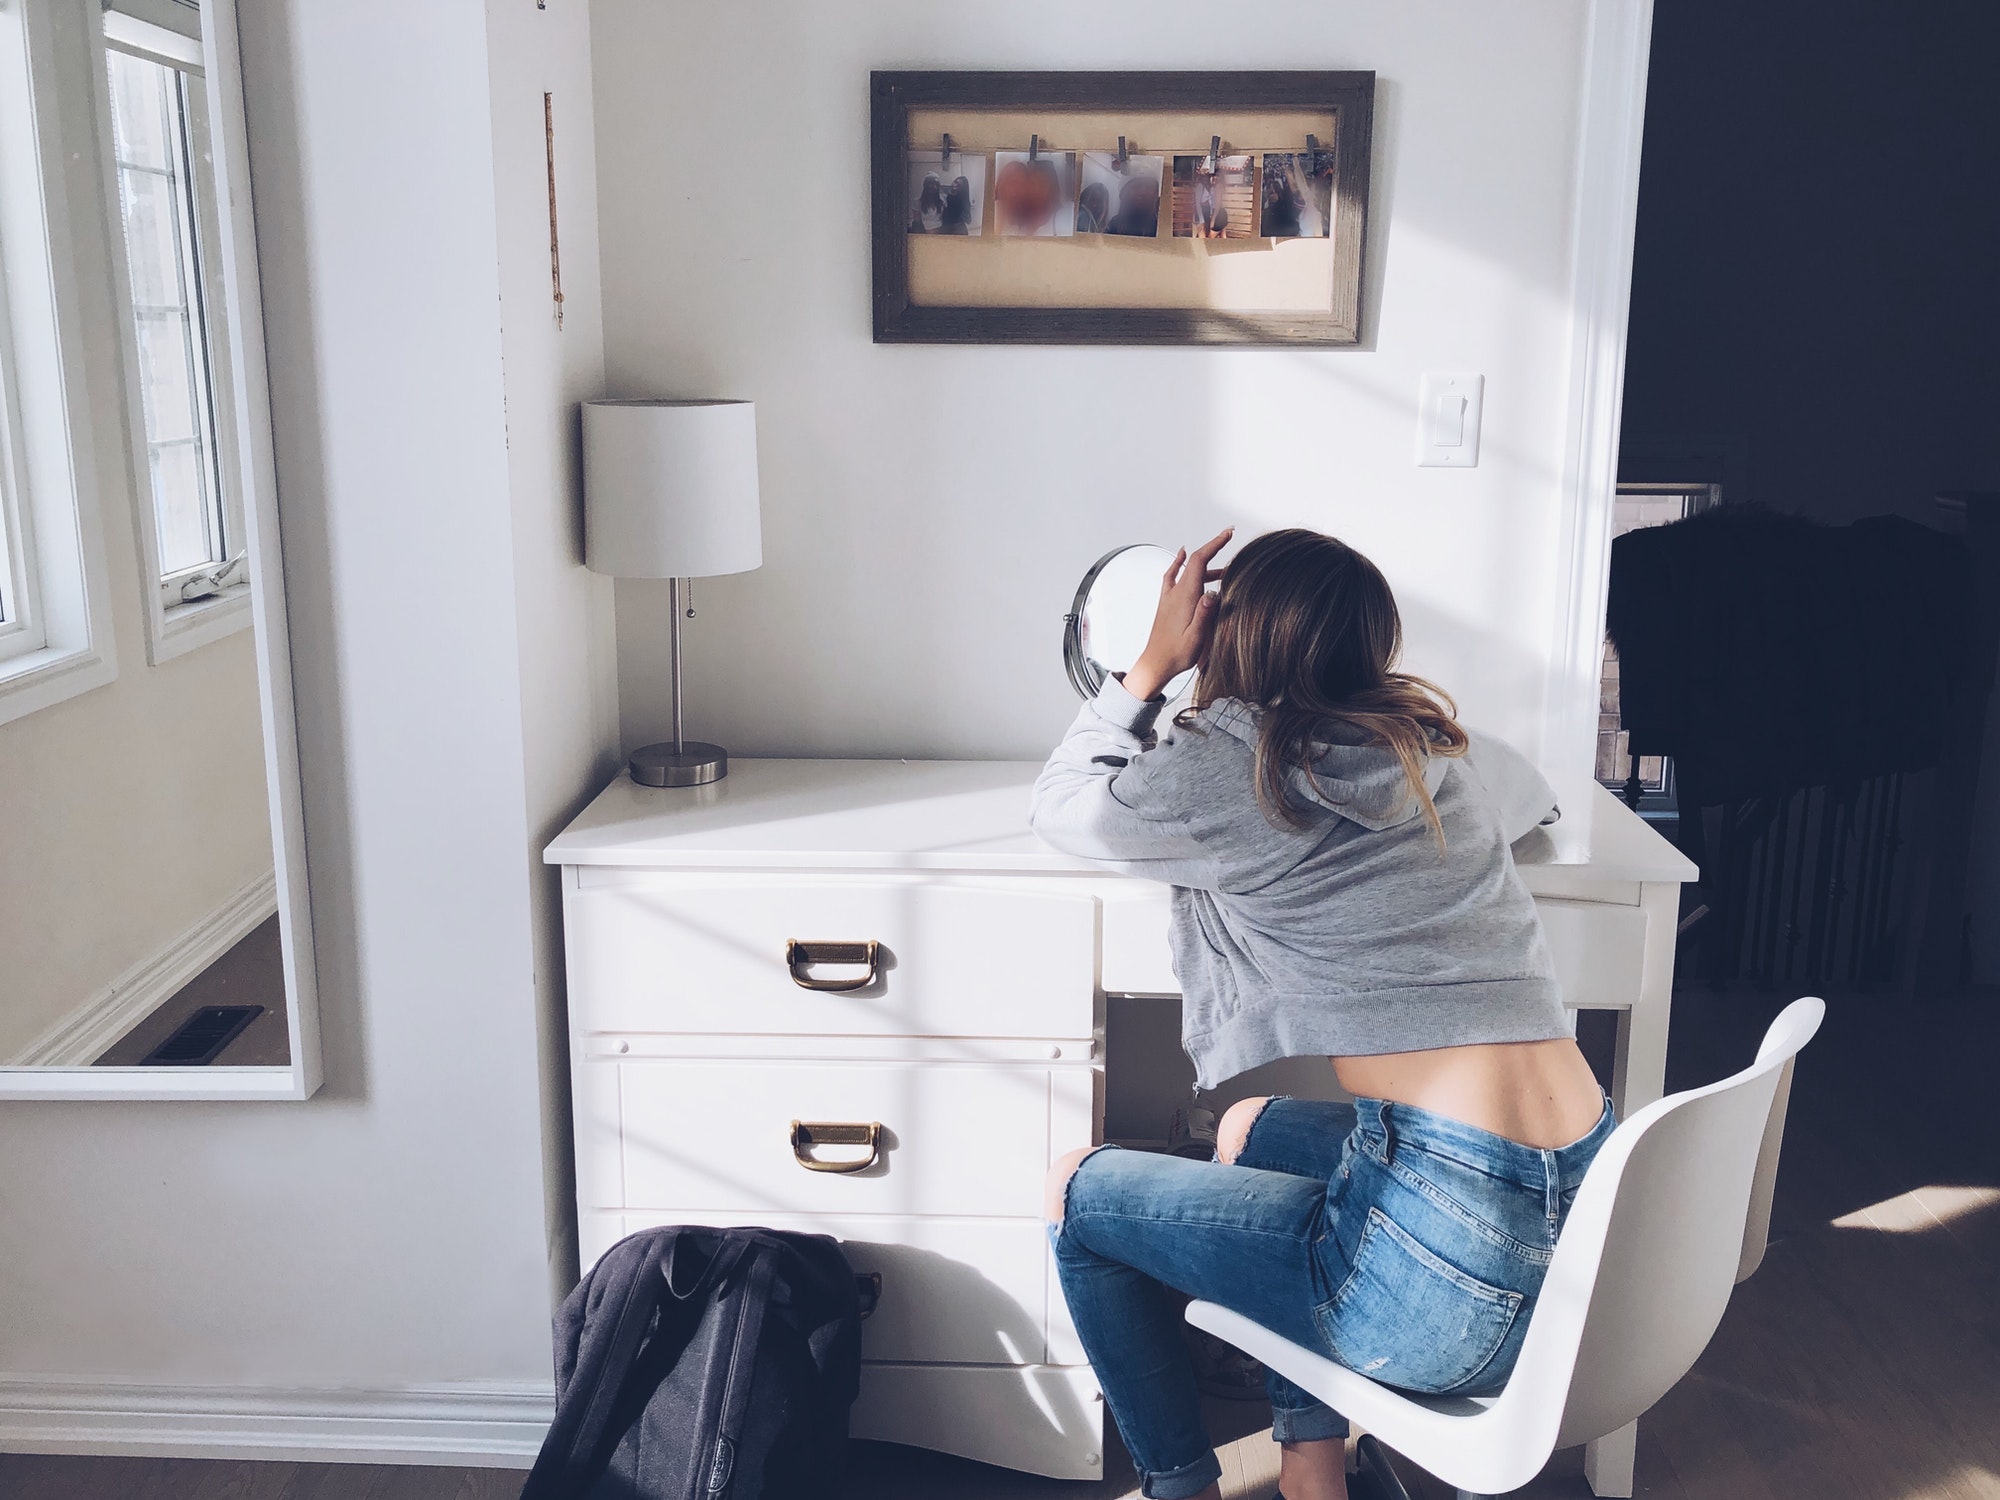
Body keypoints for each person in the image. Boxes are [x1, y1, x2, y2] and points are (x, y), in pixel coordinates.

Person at [1031, 528, 1613, 1500]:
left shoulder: (1230, 768)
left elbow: (1061, 808)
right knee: (1249, 1128)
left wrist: (1146, 671)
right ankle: (1312, 1470)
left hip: (1442, 1295)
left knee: (1072, 1193)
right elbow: (1525, 799)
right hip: (1574, 1247)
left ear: (1230, 634)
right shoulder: (1435, 754)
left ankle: (1179, 1487)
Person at [1106, 172, 1161, 237]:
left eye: (1149, 187)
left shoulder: (1162, 226)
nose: (1143, 192)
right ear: (1123, 194)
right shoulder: (1114, 224)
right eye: (1136, 187)